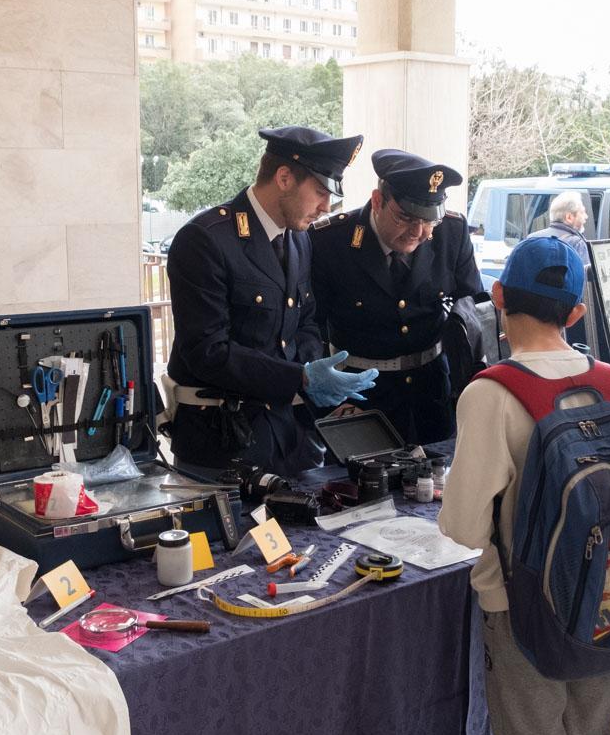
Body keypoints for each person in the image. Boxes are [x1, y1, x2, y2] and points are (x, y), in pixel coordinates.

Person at [439, 236, 610, 735]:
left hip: (524, 611)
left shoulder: (490, 394)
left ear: (498, 298)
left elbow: (466, 527)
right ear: (576, 312)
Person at [164, 126, 377, 478]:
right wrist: (301, 378)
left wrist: (314, 372)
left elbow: (306, 320)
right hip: (223, 443)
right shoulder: (206, 240)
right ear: (283, 178)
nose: (327, 206)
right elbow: (207, 351)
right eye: (321, 191)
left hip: (289, 438)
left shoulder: (299, 240)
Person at [309, 149, 484, 443]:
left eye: (429, 220)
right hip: (360, 397)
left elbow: (474, 312)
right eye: (405, 217)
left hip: (433, 393)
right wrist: (332, 400)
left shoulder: (451, 232)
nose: (419, 231)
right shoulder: (330, 241)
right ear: (378, 201)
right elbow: (310, 326)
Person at [531, 190, 590, 261]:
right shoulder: (576, 244)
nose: (586, 216)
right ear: (569, 217)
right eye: (582, 212)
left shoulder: (531, 239)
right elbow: (583, 271)